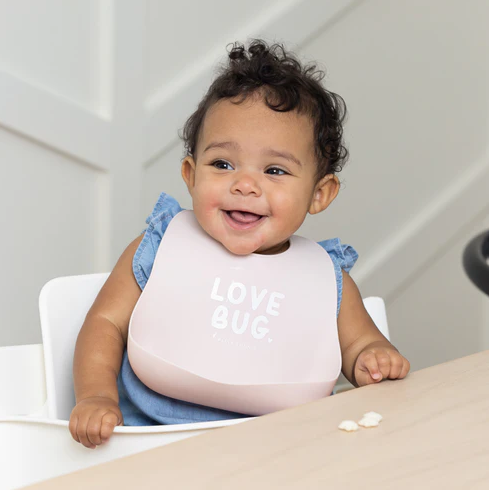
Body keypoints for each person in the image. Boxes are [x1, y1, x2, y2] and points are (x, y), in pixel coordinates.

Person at [69, 40, 410, 449]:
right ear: (191, 174)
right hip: (149, 441)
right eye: (222, 164)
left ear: (320, 193)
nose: (245, 184)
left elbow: (360, 346)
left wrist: (373, 357)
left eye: (275, 170)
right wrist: (96, 396)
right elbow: (105, 323)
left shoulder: (325, 279)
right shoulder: (160, 247)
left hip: (279, 450)